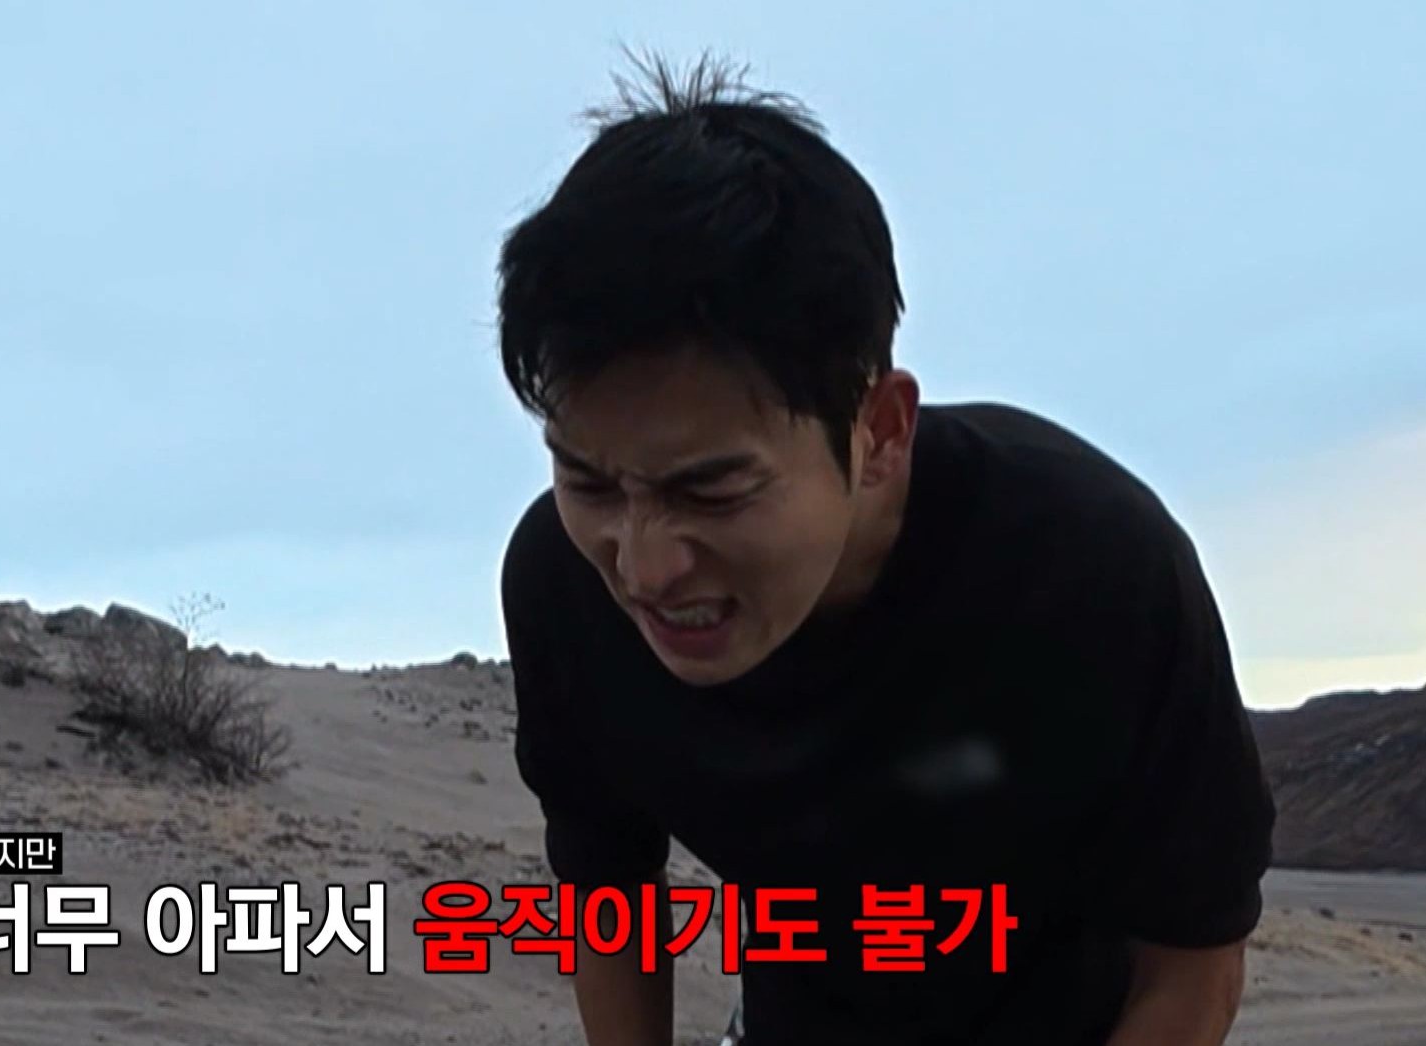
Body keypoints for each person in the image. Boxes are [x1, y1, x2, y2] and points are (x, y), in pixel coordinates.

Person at [493, 52, 1276, 1046]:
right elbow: (609, 892)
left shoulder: (1092, 570)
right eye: (589, 481)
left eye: (711, 490)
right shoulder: (564, 583)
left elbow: (1194, 964)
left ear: (881, 430)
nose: (643, 568)